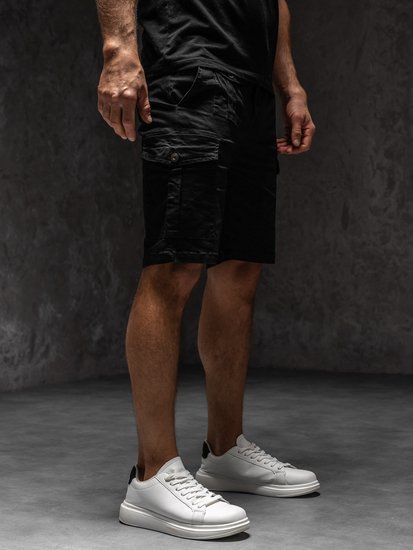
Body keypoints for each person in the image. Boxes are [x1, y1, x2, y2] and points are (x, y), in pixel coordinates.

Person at [95, 0, 317, 540]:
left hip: (251, 81)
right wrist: (119, 48)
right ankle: (151, 473)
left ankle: (224, 451)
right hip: (188, 65)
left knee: (239, 270)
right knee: (175, 264)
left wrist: (289, 84)